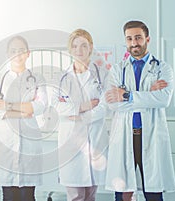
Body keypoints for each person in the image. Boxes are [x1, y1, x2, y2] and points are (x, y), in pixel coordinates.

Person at [105, 20, 175, 201]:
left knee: (153, 192)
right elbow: (113, 104)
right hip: (124, 136)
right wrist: (147, 96)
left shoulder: (162, 68)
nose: (134, 43)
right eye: (129, 39)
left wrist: (127, 95)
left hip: (150, 134)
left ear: (147, 39)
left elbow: (163, 99)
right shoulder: (116, 70)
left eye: (138, 37)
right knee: (123, 192)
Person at [0, 36, 48, 201]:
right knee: (8, 196)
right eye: (13, 51)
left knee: (28, 196)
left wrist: (7, 105)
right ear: (8, 54)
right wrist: (24, 109)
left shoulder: (37, 79)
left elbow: (40, 106)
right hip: (6, 142)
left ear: (28, 54)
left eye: (21, 51)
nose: (17, 54)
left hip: (29, 143)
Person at [53, 29, 109, 201]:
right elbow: (56, 106)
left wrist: (81, 115)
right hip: (71, 142)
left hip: (95, 138)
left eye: (84, 45)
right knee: (75, 195)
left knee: (91, 195)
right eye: (75, 46)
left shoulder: (103, 74)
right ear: (70, 49)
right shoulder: (61, 77)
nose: (79, 50)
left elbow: (106, 105)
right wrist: (83, 106)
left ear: (90, 48)